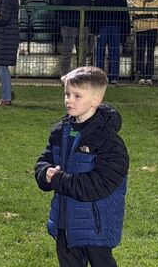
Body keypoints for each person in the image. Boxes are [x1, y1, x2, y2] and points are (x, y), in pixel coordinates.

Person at [35, 66, 129, 267]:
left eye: (77, 96)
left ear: (96, 100)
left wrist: (59, 180)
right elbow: (45, 159)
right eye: (67, 94)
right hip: (64, 223)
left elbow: (101, 183)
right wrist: (44, 173)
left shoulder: (109, 141)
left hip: (96, 224)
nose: (69, 100)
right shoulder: (60, 131)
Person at [91, 0, 129, 84]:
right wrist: (95, 29)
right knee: (100, 52)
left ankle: (114, 77)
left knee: (115, 52)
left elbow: (125, 14)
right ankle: (99, 77)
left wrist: (125, 30)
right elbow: (95, 13)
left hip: (116, 28)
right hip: (103, 27)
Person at [55, 0, 93, 76]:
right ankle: (65, 75)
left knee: (83, 52)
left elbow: (89, 4)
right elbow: (59, 6)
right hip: (69, 25)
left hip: (83, 25)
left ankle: (80, 76)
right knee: (67, 51)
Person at [132, 0, 158, 85]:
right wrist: (150, 14)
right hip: (141, 29)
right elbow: (136, 12)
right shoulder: (138, 0)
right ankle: (140, 76)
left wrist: (144, 14)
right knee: (140, 52)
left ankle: (149, 76)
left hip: (152, 28)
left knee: (150, 52)